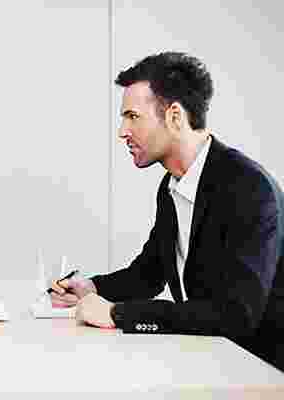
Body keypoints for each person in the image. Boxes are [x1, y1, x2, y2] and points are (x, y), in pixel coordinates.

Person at [50, 52, 284, 371]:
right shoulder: (172, 186)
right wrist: (92, 288)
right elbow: (148, 274)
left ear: (174, 116)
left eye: (133, 116)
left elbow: (235, 315)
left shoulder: (249, 188)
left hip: (262, 371)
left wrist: (117, 314)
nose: (122, 131)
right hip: (213, 360)